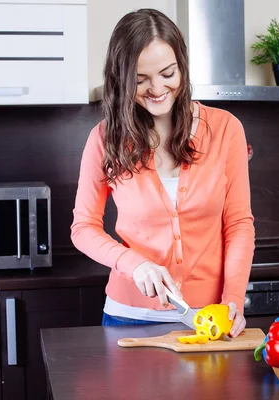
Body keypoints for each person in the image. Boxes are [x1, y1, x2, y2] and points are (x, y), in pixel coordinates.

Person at [70, 9, 255, 337]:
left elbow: (239, 223)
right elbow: (83, 227)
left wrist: (233, 300)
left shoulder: (226, 129)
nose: (157, 88)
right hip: (128, 318)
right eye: (140, 80)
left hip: (209, 320)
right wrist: (134, 263)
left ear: (182, 66)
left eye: (168, 73)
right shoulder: (105, 138)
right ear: (122, 79)